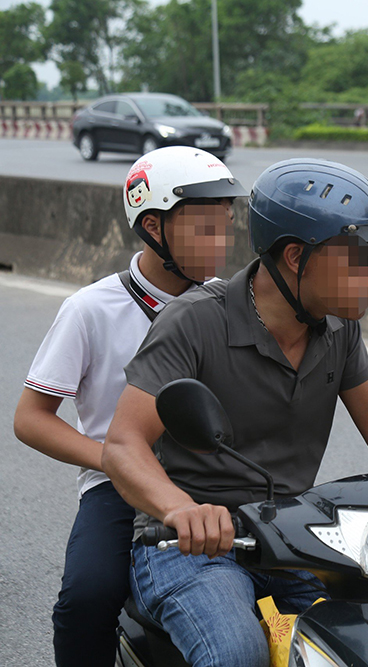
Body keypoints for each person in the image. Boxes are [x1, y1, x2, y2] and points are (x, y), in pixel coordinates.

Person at [101, 158, 368, 667]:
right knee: (238, 653)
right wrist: (182, 510)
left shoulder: (337, 329)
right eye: (358, 257)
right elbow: (124, 445)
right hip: (191, 547)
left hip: (290, 539)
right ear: (296, 256)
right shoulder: (194, 321)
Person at [12, 146, 246, 667]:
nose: (221, 241)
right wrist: (117, 459)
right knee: (87, 597)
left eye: (226, 226)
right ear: (153, 227)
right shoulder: (91, 309)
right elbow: (30, 418)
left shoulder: (232, 304)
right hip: (116, 488)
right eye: (205, 228)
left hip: (215, 483)